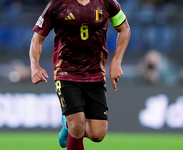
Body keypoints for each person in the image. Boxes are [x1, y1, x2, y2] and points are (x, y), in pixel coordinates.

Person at [29, 0, 130, 149]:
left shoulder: (107, 2)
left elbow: (125, 29)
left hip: (95, 73)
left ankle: (67, 124)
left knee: (98, 135)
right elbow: (37, 38)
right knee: (77, 125)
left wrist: (116, 62)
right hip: (66, 72)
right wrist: (34, 66)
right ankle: (71, 124)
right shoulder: (57, 4)